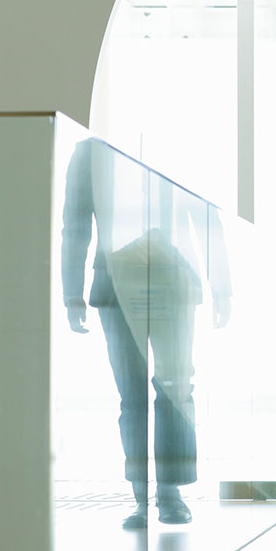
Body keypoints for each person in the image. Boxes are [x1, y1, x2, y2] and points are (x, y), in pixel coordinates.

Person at [62, 138, 231, 529]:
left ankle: (169, 493)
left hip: (173, 278)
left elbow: (205, 215)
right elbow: (74, 224)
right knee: (132, 395)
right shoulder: (90, 152)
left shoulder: (171, 142)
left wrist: (222, 285)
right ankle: (141, 497)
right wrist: (72, 292)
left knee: (175, 387)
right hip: (115, 284)